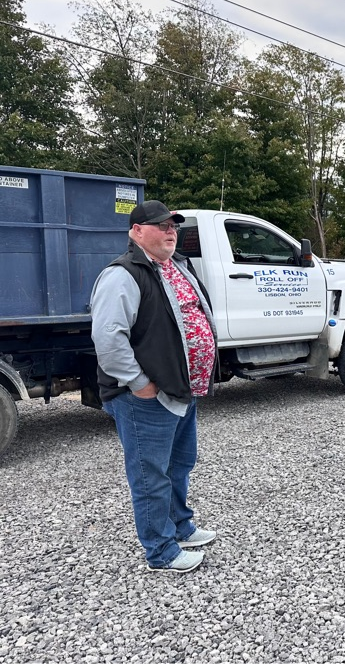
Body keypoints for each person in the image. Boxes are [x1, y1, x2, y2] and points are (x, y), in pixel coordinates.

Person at [91, 200, 218, 573]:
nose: (170, 231)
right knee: (151, 475)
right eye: (160, 225)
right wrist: (141, 385)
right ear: (136, 231)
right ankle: (160, 551)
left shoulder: (176, 265)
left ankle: (180, 526)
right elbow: (108, 338)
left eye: (173, 226)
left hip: (182, 390)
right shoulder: (123, 274)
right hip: (147, 397)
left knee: (180, 464)